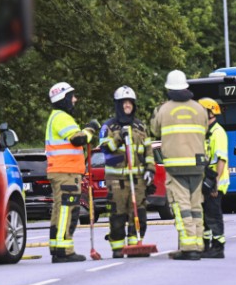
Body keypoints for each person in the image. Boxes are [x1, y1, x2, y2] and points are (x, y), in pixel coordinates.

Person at [150, 70, 208, 260]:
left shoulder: (163, 110)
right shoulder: (199, 109)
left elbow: (154, 130)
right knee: (196, 206)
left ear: (169, 89)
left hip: (176, 168)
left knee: (181, 206)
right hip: (198, 166)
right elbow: (205, 130)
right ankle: (199, 244)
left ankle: (188, 247)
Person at [98, 86, 155, 258]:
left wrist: (150, 170)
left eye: (130, 103)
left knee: (139, 213)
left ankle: (135, 245)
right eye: (124, 103)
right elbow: (105, 149)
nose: (127, 106)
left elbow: (148, 150)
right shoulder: (108, 126)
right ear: (118, 105)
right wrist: (118, 137)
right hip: (116, 180)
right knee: (118, 215)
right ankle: (117, 248)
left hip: (137, 179)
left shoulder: (140, 126)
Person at [45, 82, 97, 263]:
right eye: (72, 96)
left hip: (62, 171)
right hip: (65, 172)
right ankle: (64, 250)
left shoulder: (56, 117)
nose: (75, 100)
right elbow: (78, 139)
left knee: (60, 211)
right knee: (68, 210)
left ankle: (57, 247)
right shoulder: (62, 117)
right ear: (64, 98)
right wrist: (90, 129)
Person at [199, 98, 229, 258]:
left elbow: (221, 159)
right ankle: (206, 246)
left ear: (210, 112)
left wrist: (215, 183)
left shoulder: (218, 133)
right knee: (205, 216)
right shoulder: (205, 132)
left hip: (214, 181)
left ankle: (218, 247)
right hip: (205, 181)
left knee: (213, 215)